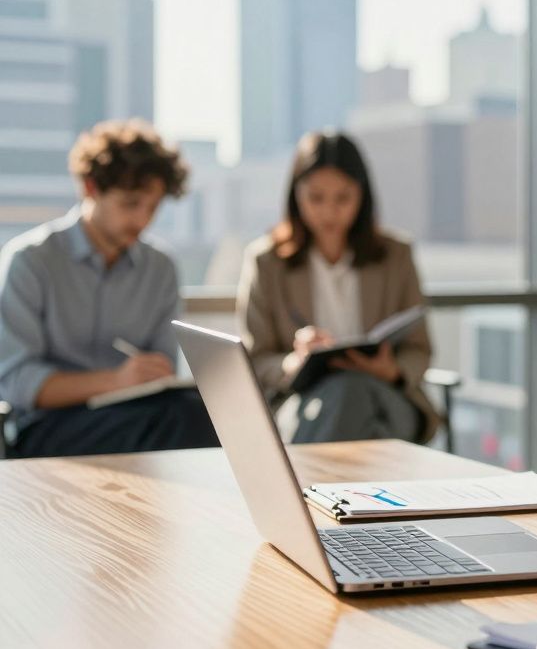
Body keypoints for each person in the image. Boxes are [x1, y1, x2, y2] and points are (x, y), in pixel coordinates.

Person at [0, 119, 219, 457]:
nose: (143, 219)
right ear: (91, 188)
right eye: (131, 203)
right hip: (46, 425)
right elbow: (16, 382)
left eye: (153, 206)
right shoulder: (31, 261)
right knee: (184, 418)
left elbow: (162, 369)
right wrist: (115, 381)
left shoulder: (160, 268)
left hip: (135, 417)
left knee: (203, 408)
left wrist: (149, 377)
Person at [238, 131, 438, 444]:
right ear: (296, 196)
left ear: (362, 195)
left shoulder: (396, 256)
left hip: (385, 394)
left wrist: (391, 370)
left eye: (343, 198)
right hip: (301, 399)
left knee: (350, 390)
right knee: (366, 429)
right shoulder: (267, 262)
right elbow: (256, 358)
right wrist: (294, 363)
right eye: (316, 198)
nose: (330, 211)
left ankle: (302, 492)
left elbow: (419, 348)